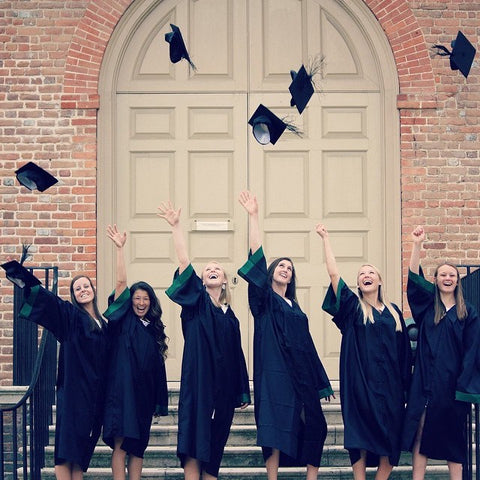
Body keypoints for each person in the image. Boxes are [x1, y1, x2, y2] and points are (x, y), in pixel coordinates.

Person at [238, 191, 333, 480]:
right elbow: (255, 258)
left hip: (301, 372)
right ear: (270, 273)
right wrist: (254, 217)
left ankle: (311, 476)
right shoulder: (263, 301)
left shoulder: (296, 307)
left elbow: (308, 345)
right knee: (274, 425)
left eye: (290, 268)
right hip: (275, 371)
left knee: (317, 423)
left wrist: (320, 380)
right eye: (281, 266)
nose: (286, 270)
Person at [158, 201, 250, 480]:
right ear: (200, 280)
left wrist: (241, 390)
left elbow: (237, 355)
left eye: (218, 270)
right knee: (193, 438)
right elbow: (185, 265)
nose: (212, 270)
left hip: (222, 389)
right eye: (207, 269)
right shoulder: (196, 303)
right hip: (198, 384)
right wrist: (176, 228)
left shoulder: (231, 317)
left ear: (224, 281)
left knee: (215, 444)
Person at [317, 224, 412, 480]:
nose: (365, 275)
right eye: (361, 274)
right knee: (358, 435)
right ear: (358, 283)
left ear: (379, 280)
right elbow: (335, 275)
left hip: (391, 387)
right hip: (360, 384)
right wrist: (326, 239)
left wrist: (406, 387)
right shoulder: (352, 309)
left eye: (371, 272)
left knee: (391, 437)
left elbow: (404, 355)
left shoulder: (393, 312)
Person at [402, 225, 480, 480]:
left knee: (454, 435)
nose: (448, 278)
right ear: (435, 279)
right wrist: (417, 245)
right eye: (443, 275)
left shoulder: (467, 312)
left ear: (458, 281)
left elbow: (472, 351)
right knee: (421, 431)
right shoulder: (427, 308)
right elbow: (413, 280)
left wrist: (464, 386)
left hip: (453, 384)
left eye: (452, 275)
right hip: (425, 381)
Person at [14, 271, 109, 480]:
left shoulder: (104, 323)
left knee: (79, 454)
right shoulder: (71, 317)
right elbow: (50, 301)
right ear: (74, 295)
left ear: (93, 290)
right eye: (78, 289)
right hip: (73, 393)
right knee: (65, 452)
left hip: (92, 396)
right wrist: (25, 279)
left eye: (86, 286)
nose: (83, 290)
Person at [102, 224, 168, 480]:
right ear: (129, 302)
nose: (141, 303)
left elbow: (157, 368)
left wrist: (157, 401)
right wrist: (120, 250)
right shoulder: (123, 321)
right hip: (122, 393)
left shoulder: (153, 330)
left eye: (145, 299)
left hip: (143, 396)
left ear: (151, 303)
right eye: (136, 298)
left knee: (139, 445)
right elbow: (121, 283)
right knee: (121, 444)